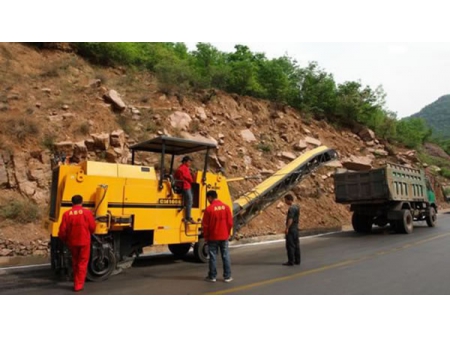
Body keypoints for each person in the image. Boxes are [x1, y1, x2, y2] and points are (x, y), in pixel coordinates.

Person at [58, 194, 96, 292]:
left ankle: (76, 280)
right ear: (81, 202)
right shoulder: (87, 213)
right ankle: (78, 285)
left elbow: (62, 230)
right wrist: (88, 234)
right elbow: (92, 227)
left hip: (72, 242)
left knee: (75, 261)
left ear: (72, 202)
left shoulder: (67, 214)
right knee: (82, 263)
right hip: (84, 242)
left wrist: (65, 240)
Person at [202, 190, 233, 283]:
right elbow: (230, 223)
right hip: (224, 236)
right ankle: (227, 277)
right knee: (225, 255)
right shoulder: (226, 207)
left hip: (213, 237)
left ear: (210, 197)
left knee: (213, 256)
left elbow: (205, 226)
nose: (208, 200)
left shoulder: (209, 209)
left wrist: (206, 237)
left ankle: (212, 276)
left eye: (208, 198)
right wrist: (227, 233)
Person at [174, 155, 195, 223]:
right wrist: (192, 178)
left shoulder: (180, 168)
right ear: (185, 162)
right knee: (189, 201)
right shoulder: (184, 168)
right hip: (186, 186)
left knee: (189, 200)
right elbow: (189, 178)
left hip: (181, 185)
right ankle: (188, 217)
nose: (190, 163)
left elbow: (175, 176)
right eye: (189, 162)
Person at [283, 193, 301, 266]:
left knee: (290, 245)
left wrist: (287, 228)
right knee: (296, 244)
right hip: (296, 228)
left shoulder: (291, 208)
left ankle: (291, 261)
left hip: (291, 228)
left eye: (285, 200)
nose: (285, 202)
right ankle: (297, 260)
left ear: (288, 200)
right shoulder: (297, 206)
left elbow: (290, 219)